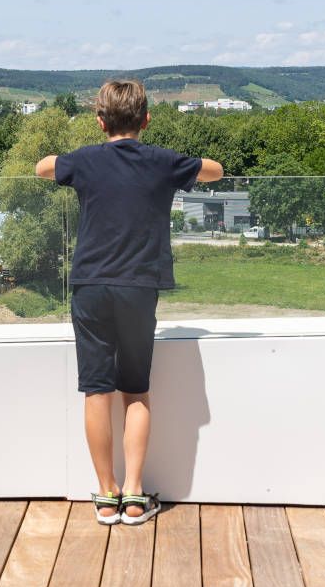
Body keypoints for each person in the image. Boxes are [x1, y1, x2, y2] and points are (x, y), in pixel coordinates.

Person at [35, 79, 222, 525]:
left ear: (100, 121)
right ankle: (135, 495)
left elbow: (44, 168)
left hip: (90, 285)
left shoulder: (85, 161)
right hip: (140, 286)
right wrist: (180, 165)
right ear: (146, 119)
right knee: (135, 389)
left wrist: (76, 158)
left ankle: (106, 493)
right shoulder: (162, 162)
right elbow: (214, 170)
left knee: (96, 390)